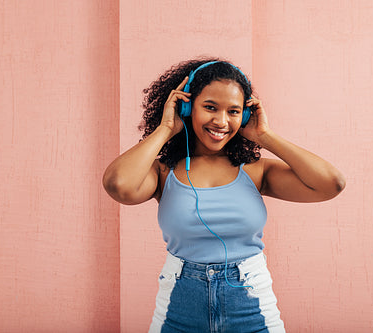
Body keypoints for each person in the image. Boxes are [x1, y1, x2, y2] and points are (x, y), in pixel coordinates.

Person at [103, 58, 346, 332]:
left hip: (252, 311)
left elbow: (331, 184)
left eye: (233, 111)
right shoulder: (162, 172)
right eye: (210, 107)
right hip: (177, 314)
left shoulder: (256, 172)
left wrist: (264, 135)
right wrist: (165, 129)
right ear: (186, 106)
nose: (221, 121)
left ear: (244, 115)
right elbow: (118, 184)